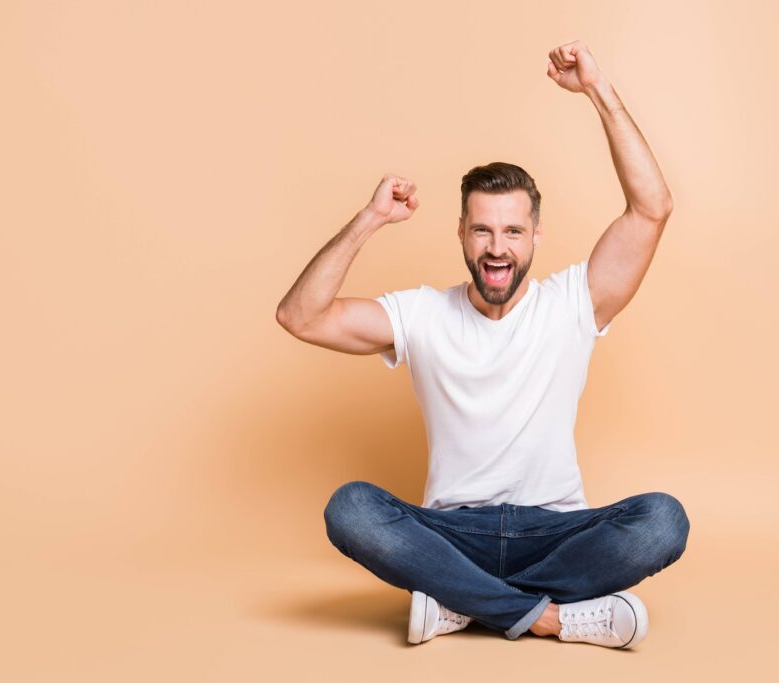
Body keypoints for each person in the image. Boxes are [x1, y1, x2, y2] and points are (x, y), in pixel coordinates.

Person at [276, 41, 688, 649]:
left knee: (662, 521)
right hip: (449, 531)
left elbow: (652, 207)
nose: (498, 247)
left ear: (536, 237)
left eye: (513, 231)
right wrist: (369, 218)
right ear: (462, 235)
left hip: (557, 530)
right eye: (483, 230)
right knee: (350, 507)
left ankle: (460, 602)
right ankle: (548, 617)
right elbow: (300, 316)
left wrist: (597, 88)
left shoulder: (572, 302)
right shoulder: (420, 314)